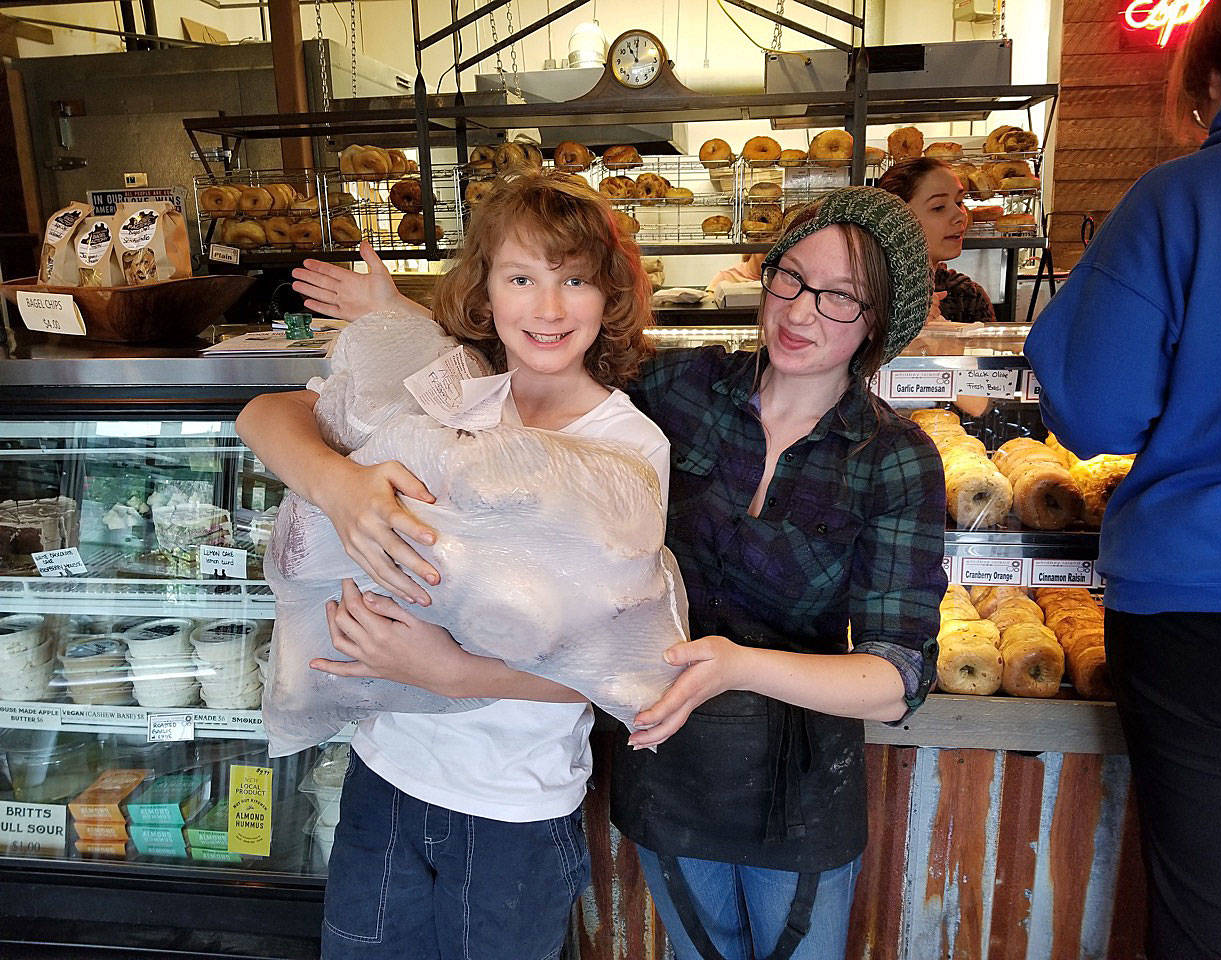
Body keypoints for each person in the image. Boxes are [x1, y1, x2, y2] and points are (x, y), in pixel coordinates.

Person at [281, 185, 946, 959]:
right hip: (663, 761)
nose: (801, 313)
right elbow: (537, 353)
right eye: (792, 278)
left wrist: (735, 666)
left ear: (878, 320)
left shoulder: (896, 458)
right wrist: (403, 322)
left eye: (842, 298)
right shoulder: (683, 388)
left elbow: (899, 675)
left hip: (795, 776)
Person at [236, 172, 669, 960]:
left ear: (609, 295)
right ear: (486, 290)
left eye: (574, 280)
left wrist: (452, 673)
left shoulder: (629, 450)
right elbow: (263, 415)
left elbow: (623, 659)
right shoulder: (450, 391)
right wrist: (339, 487)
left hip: (514, 807)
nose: (547, 307)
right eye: (521, 278)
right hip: (383, 775)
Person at [1023, 3, 1221, 956]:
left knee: (1214, 918)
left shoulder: (1189, 198)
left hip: (1211, 614)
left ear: (1212, 85)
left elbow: (1093, 412)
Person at [879, 157, 996, 325]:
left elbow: (985, 350)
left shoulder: (967, 296)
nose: (960, 216)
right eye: (939, 207)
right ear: (895, 218)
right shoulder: (865, 297)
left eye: (959, 202)